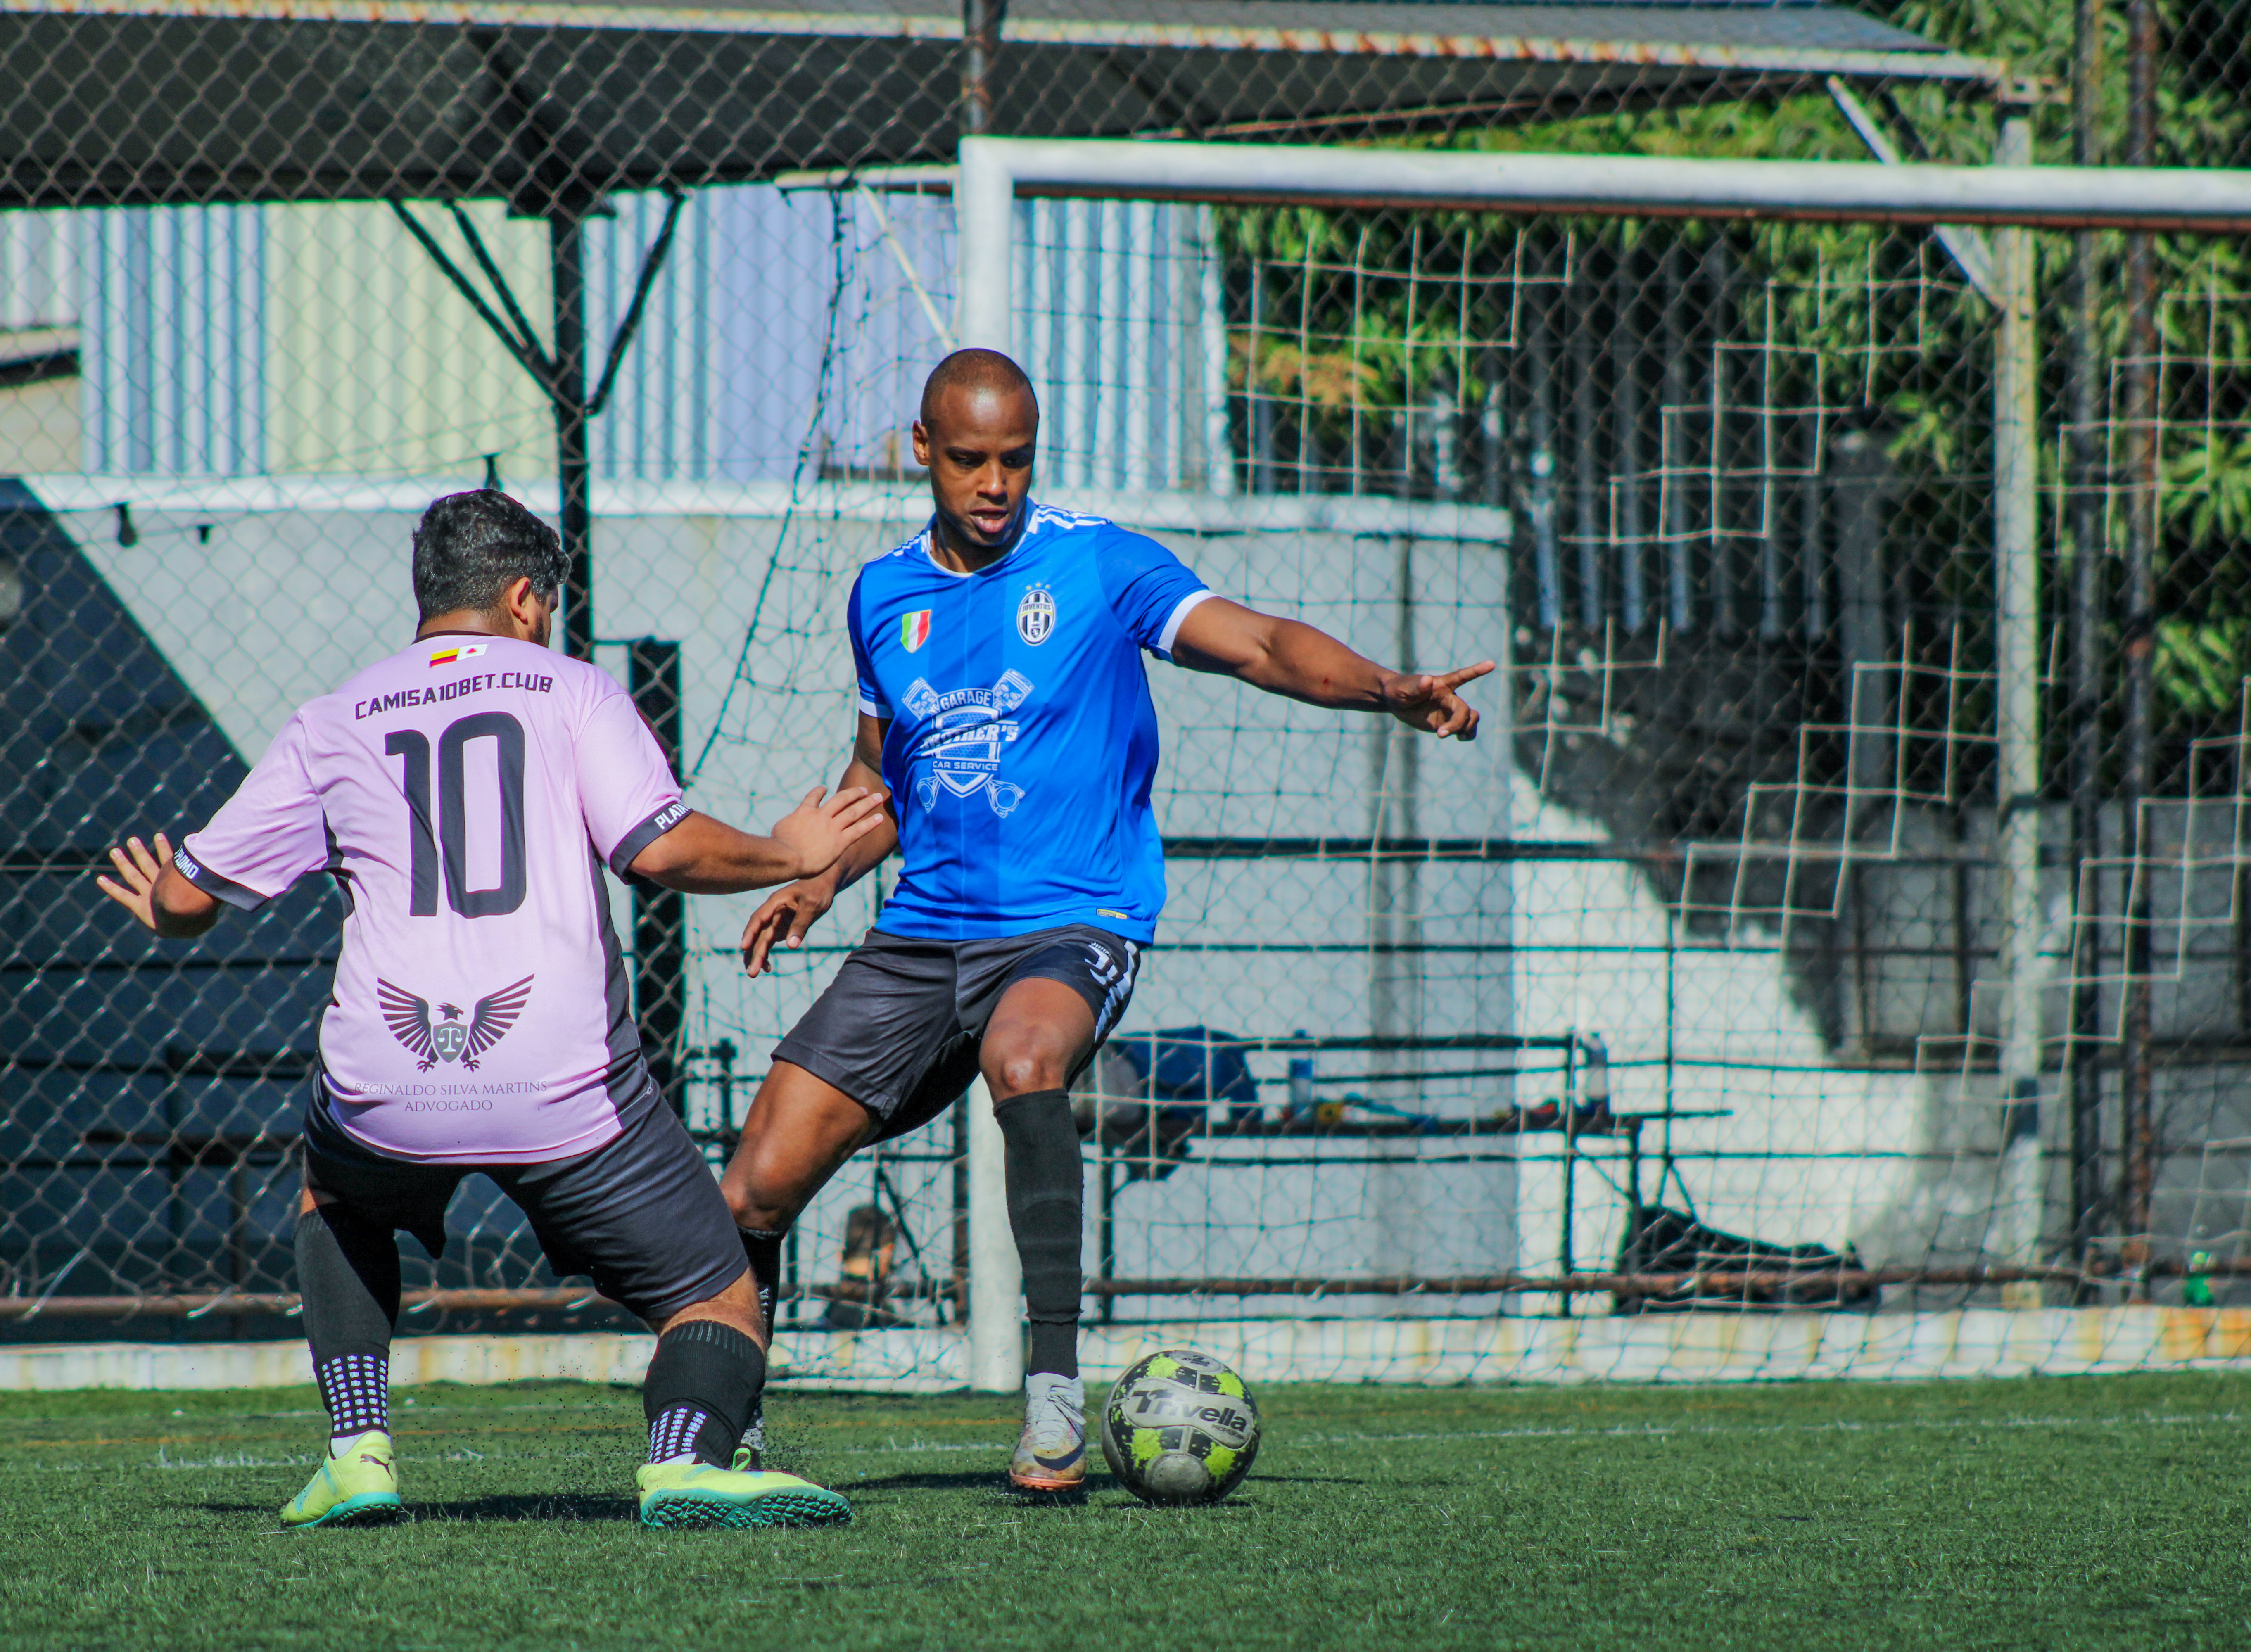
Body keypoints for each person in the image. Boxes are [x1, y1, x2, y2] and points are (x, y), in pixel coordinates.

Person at [719, 349, 1493, 1492]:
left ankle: (1050, 1402)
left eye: (1016, 459)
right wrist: (826, 872)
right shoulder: (882, 596)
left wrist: (1388, 689)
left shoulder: (1096, 563)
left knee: (1025, 1056)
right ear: (924, 451)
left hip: (1071, 918)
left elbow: (1263, 644)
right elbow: (884, 776)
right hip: (924, 931)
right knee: (754, 1187)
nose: (996, 482)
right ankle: (724, 1428)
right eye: (972, 459)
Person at [96, 489, 884, 1531]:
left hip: (389, 1079)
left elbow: (192, 897)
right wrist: (794, 851)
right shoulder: (572, 690)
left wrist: (163, 901)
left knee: (331, 1196)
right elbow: (658, 849)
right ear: (525, 597)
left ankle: (358, 1450)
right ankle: (685, 1455)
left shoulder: (333, 717)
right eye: (545, 606)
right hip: (559, 1080)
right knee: (716, 1289)